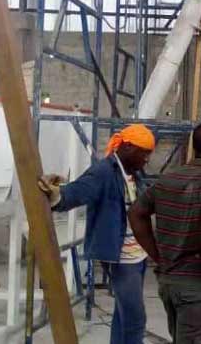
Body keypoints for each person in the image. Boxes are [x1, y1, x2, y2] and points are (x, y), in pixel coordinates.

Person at [38, 124, 155, 344]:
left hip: (138, 255)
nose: (147, 160)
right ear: (128, 147)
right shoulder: (104, 171)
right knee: (135, 319)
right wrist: (58, 194)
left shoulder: (134, 173)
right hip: (121, 258)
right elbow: (79, 191)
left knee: (122, 314)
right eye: (144, 153)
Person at [128, 121, 201, 344]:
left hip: (170, 283)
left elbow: (136, 212)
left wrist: (157, 255)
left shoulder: (168, 178)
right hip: (199, 286)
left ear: (194, 147)